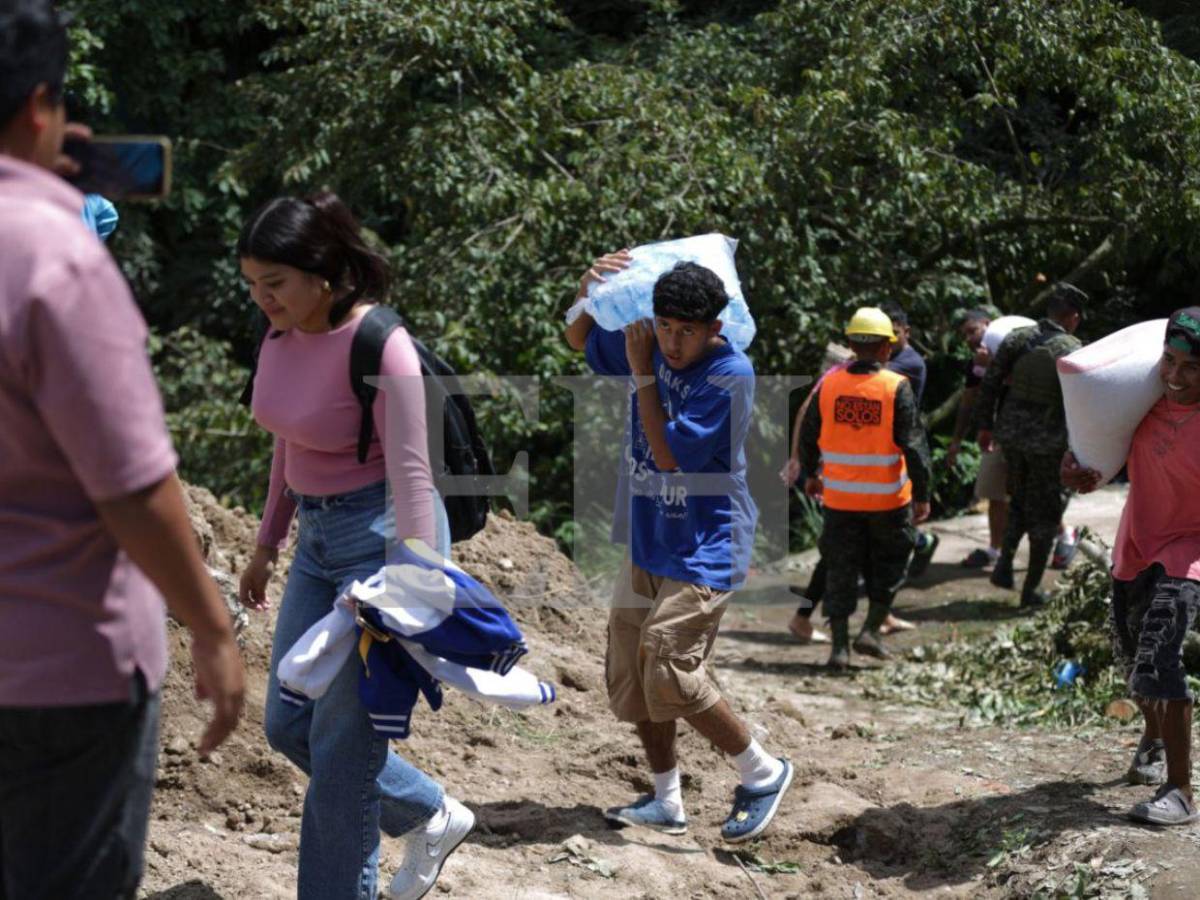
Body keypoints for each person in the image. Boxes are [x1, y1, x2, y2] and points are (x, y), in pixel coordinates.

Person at [0, 2, 244, 896]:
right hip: (59, 666)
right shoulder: (56, 256)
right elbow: (133, 487)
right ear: (40, 107)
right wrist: (212, 630)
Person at [235, 194, 467, 900]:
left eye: (273, 284)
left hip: (384, 544)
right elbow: (289, 438)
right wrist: (268, 542)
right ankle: (431, 812)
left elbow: (414, 474)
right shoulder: (280, 334)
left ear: (324, 274)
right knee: (286, 722)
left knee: (339, 755)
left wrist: (412, 584)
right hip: (315, 542)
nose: (261, 299)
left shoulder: (381, 345)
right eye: (251, 284)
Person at [566, 252, 793, 843]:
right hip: (649, 539)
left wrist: (643, 373)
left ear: (714, 328)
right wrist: (589, 287)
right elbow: (577, 338)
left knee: (669, 666)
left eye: (686, 330)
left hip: (705, 545)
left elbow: (668, 453)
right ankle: (667, 799)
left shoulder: (729, 374)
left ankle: (761, 771)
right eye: (664, 325)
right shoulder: (650, 342)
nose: (672, 341)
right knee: (632, 671)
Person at [1061, 308, 1200, 825]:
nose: (1175, 376)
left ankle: (1181, 792)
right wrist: (1075, 466)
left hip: (1190, 549)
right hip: (1137, 542)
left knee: (1160, 652)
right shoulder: (1142, 402)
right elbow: (1098, 453)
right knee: (1133, 662)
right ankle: (1154, 734)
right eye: (1170, 360)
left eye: (1191, 368)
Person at [782, 303, 929, 643]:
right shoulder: (896, 386)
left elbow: (808, 432)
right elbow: (915, 448)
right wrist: (922, 494)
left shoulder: (830, 385)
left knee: (840, 568)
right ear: (885, 347)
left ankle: (839, 649)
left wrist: (810, 474)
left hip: (839, 498)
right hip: (888, 501)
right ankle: (871, 630)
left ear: (851, 345)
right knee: (891, 562)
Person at [975, 285, 1084, 607]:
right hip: (1048, 445)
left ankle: (1004, 567)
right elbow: (1081, 403)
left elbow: (990, 381)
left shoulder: (1017, 338)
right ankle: (1031, 589)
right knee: (1048, 514)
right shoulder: (1074, 349)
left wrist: (984, 426)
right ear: (1072, 317)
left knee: (1020, 501)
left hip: (1012, 437)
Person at [947, 308, 1010, 568]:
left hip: (1025, 431)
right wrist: (956, 440)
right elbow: (969, 400)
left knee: (1032, 494)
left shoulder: (1013, 350)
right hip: (994, 433)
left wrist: (992, 366)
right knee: (995, 492)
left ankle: (1064, 535)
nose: (969, 339)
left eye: (973, 331)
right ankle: (995, 550)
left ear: (988, 325)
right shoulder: (975, 363)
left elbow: (1018, 384)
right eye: (965, 335)